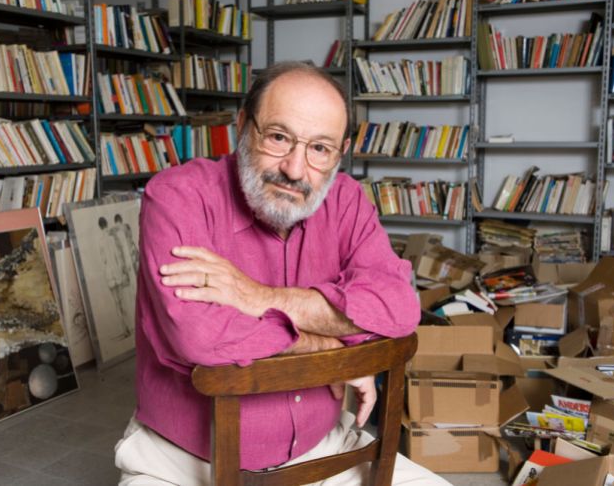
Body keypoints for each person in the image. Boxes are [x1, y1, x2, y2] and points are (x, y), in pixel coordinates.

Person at [115, 61, 452, 486]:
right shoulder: (178, 196)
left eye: (320, 149)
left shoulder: (346, 199)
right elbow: (199, 337)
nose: (295, 169)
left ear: (339, 153)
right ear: (243, 126)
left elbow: (399, 307)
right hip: (184, 463)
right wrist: (332, 351)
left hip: (325, 451)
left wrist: (257, 297)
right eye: (278, 137)